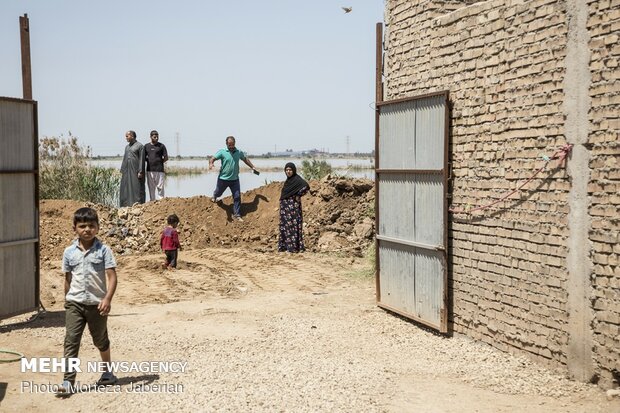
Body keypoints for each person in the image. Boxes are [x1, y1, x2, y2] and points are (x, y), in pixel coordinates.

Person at [56, 207, 118, 396]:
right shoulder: (69, 252)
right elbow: (67, 279)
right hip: (75, 303)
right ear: (75, 228)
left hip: (97, 304)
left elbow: (112, 277)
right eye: (82, 226)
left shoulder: (104, 251)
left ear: (98, 228)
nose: (87, 229)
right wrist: (67, 300)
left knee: (100, 340)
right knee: (71, 341)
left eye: (91, 225)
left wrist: (107, 298)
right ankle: (68, 381)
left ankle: (107, 373)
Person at [208, 136, 259, 221]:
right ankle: (215, 196)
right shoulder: (222, 152)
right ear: (226, 144)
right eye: (229, 145)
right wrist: (211, 164)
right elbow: (212, 159)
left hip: (235, 180)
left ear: (235, 143)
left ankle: (237, 215)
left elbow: (245, 159)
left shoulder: (238, 152)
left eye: (232, 144)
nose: (231, 146)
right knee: (218, 192)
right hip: (223, 179)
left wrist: (252, 167)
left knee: (237, 196)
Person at [278, 162, 310, 253]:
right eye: (287, 170)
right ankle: (284, 246)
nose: (288, 172)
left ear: (294, 170)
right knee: (285, 225)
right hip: (285, 207)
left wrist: (298, 195)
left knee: (292, 225)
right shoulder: (288, 181)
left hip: (293, 207)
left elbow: (306, 186)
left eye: (290, 170)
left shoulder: (297, 179)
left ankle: (293, 247)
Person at [119, 130, 145, 207]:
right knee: (125, 187)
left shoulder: (140, 146)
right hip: (127, 171)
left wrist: (140, 171)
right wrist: (122, 170)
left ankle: (138, 204)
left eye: (127, 136)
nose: (126, 138)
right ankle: (126, 204)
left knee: (136, 187)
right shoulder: (127, 147)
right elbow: (124, 159)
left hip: (135, 170)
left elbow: (142, 159)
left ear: (132, 136)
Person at [144, 130, 169, 201]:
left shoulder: (161, 146)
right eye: (155, 137)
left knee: (160, 186)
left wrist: (160, 162)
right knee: (151, 187)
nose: (156, 138)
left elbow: (166, 157)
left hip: (159, 169)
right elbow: (143, 157)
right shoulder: (146, 146)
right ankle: (152, 201)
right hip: (149, 170)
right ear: (151, 137)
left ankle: (161, 201)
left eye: (157, 137)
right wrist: (149, 161)